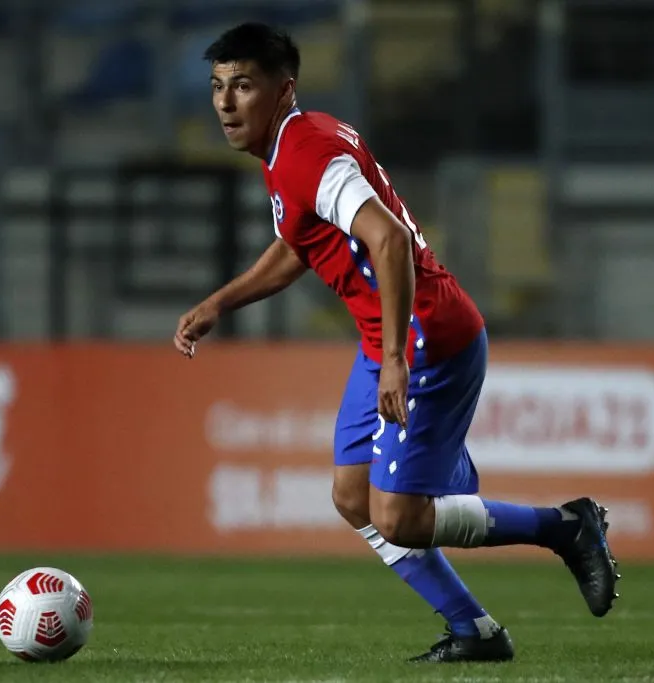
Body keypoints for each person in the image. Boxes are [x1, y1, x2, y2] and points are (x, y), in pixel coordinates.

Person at [173, 22, 619, 664]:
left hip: (427, 336)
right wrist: (221, 302)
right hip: (390, 335)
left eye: (243, 85)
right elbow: (304, 244)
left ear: (282, 90)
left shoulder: (307, 155)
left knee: (400, 518)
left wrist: (394, 359)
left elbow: (387, 239)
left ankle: (566, 527)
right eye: (218, 86)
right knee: (354, 498)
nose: (224, 102)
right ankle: (475, 632)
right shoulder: (292, 148)